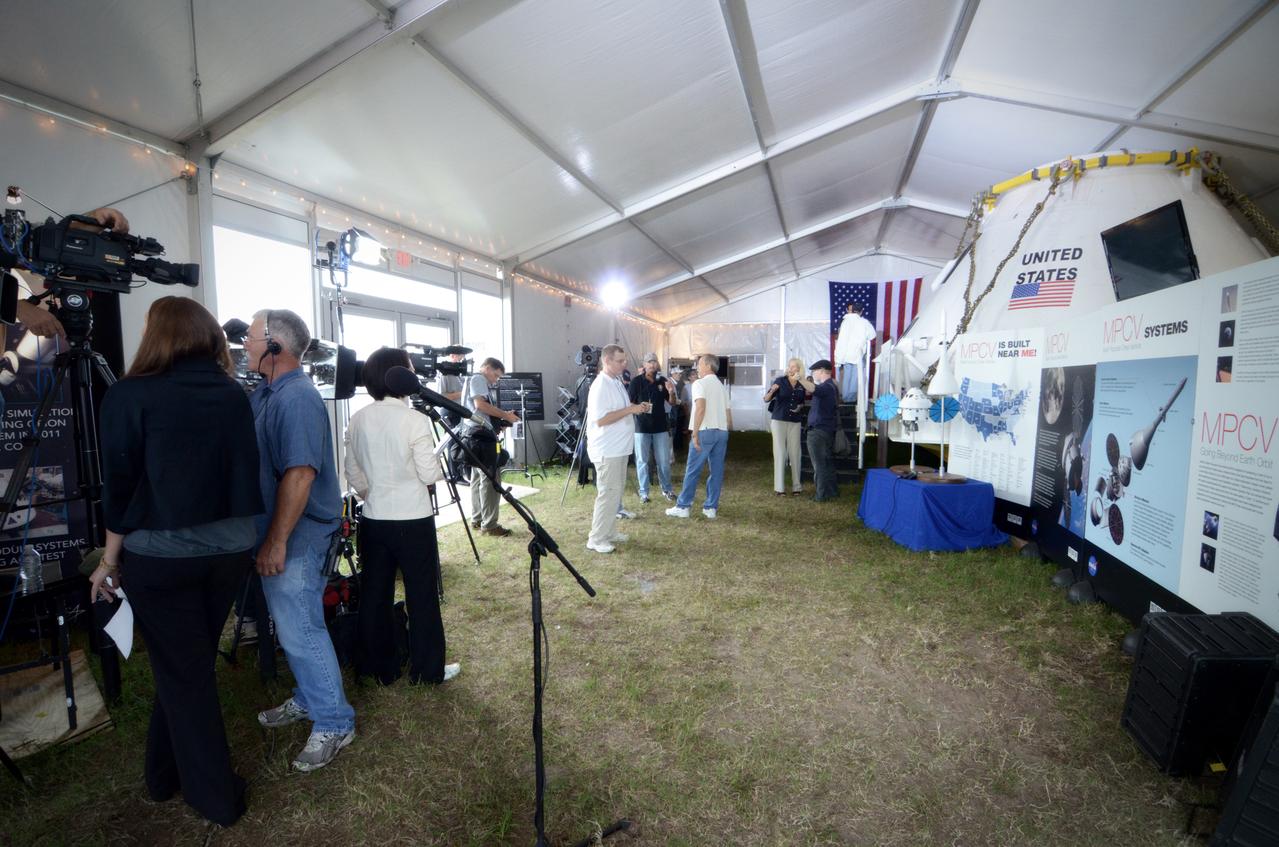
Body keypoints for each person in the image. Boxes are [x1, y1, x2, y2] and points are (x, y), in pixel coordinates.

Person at [90, 296, 263, 826]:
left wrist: (108, 560)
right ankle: (161, 774)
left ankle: (215, 798)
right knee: (186, 664)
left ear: (154, 335)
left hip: (161, 557)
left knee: (185, 672)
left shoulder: (129, 394)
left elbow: (119, 487)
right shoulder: (232, 393)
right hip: (230, 551)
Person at [243, 308, 356, 772]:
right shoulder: (269, 392)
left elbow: (301, 474)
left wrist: (276, 541)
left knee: (301, 627)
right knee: (292, 624)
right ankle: (311, 698)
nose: (245, 343)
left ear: (276, 345)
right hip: (284, 529)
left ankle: (335, 721)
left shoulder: (297, 398)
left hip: (299, 532)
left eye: (252, 337)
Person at [345, 348, 459, 685]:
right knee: (421, 594)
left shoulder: (358, 418)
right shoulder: (415, 420)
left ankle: (378, 667)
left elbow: (353, 472)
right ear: (400, 377)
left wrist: (373, 494)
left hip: (374, 518)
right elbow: (429, 474)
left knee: (375, 594)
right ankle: (427, 670)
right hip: (413, 519)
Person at [585, 344, 649, 553]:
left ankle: (609, 532)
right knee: (608, 493)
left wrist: (634, 408)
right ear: (607, 361)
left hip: (619, 448)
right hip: (607, 449)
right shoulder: (600, 385)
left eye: (624, 360)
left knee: (615, 493)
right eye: (620, 361)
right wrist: (630, 409)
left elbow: (619, 410)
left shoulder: (616, 381)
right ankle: (596, 538)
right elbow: (602, 419)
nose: (624, 364)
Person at [666, 354, 730, 520]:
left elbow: (700, 408)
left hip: (705, 430)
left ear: (708, 365)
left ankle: (683, 506)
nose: (697, 368)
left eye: (699, 364)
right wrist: (725, 430)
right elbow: (728, 414)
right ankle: (711, 507)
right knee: (717, 471)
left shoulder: (699, 384)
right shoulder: (721, 386)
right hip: (722, 432)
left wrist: (694, 432)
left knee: (693, 470)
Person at [461, 357, 520, 536]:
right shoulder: (479, 378)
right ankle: (490, 525)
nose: (496, 380)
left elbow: (478, 410)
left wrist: (498, 421)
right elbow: (480, 405)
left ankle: (478, 519)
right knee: (490, 479)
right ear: (486, 368)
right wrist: (506, 416)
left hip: (473, 434)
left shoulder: (472, 379)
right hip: (481, 437)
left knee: (477, 479)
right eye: (496, 375)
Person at [629, 352, 677, 503]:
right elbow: (629, 404)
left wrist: (671, 392)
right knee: (642, 461)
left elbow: (672, 403)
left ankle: (667, 490)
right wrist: (638, 407)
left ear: (657, 364)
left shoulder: (662, 381)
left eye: (654, 362)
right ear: (644, 365)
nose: (652, 364)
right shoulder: (636, 382)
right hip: (641, 427)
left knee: (663, 461)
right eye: (649, 362)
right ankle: (644, 493)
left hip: (660, 427)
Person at [763, 358, 814, 496]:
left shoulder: (801, 383)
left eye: (794, 366)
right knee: (780, 452)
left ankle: (797, 487)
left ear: (799, 369)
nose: (791, 368)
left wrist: (799, 407)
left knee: (795, 453)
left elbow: (802, 402)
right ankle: (779, 488)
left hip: (795, 421)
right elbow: (766, 399)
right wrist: (772, 390)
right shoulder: (780, 381)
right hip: (779, 420)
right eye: (789, 366)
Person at [807, 359, 840, 501]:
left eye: (814, 371)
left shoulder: (826, 387)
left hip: (818, 431)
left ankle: (820, 495)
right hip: (826, 430)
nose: (813, 374)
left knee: (819, 465)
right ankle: (832, 492)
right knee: (827, 463)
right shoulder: (832, 386)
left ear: (821, 370)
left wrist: (800, 379)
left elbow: (814, 389)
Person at [833, 302, 877, 403]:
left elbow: (841, 339)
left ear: (852, 310)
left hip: (846, 354)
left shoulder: (845, 322)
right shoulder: (864, 322)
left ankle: (845, 398)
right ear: (861, 311)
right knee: (855, 378)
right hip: (858, 354)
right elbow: (872, 335)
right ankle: (851, 399)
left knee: (847, 377)